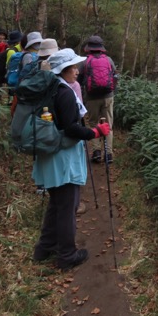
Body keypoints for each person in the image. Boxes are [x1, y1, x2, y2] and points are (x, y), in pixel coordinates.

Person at [32, 48, 110, 270]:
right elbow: (71, 128)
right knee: (68, 205)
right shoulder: (64, 93)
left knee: (57, 203)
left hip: (51, 154)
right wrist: (96, 132)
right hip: (62, 158)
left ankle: (44, 248)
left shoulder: (51, 88)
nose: (77, 71)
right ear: (63, 70)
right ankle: (67, 255)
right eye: (74, 67)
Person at [78, 35, 117, 164]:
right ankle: (109, 154)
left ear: (89, 48)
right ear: (101, 48)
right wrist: (112, 91)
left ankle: (96, 152)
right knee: (108, 125)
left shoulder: (85, 61)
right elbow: (115, 76)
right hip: (108, 96)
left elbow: (79, 80)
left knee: (93, 123)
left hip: (91, 97)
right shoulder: (109, 60)